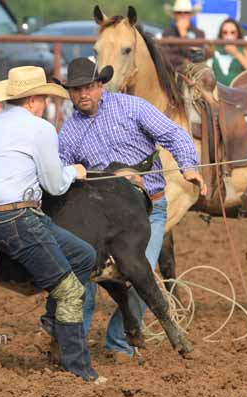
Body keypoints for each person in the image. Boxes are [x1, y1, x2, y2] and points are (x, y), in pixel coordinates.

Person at [55, 57, 206, 359]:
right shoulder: (68, 133)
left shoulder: (131, 107)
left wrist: (189, 166)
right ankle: (73, 345)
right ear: (69, 93)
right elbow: (61, 176)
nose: (82, 94)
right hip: (99, 217)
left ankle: (119, 343)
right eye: (75, 89)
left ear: (100, 85)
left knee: (141, 276)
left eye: (88, 87)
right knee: (81, 280)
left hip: (148, 209)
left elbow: (174, 134)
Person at [0, 65, 103, 382]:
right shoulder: (39, 128)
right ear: (32, 100)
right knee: (71, 291)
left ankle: (51, 322)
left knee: (84, 255)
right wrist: (76, 171)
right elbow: (56, 185)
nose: (44, 103)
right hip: (20, 218)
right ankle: (79, 369)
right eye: (43, 97)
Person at [211, 18, 247, 86]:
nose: (229, 36)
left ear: (238, 34)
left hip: (239, 91)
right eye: (225, 32)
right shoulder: (215, 48)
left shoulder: (245, 48)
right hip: (217, 91)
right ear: (221, 34)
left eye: (233, 33)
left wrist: (236, 54)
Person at [162, 0, 206, 70]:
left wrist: (183, 36)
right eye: (179, 12)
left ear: (191, 14)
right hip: (172, 73)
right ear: (174, 15)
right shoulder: (167, 33)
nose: (182, 15)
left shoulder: (199, 33)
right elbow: (165, 56)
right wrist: (184, 61)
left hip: (193, 73)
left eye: (186, 12)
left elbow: (198, 57)